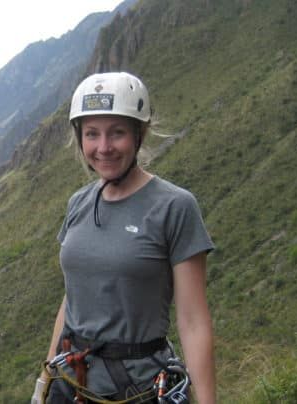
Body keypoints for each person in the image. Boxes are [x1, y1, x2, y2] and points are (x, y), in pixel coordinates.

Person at [33, 72, 216, 404]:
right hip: (71, 380)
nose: (103, 147)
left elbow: (193, 321)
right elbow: (71, 300)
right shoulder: (79, 203)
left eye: (116, 133)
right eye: (92, 134)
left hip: (138, 388)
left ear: (139, 134)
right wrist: (46, 378)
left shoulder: (175, 207)